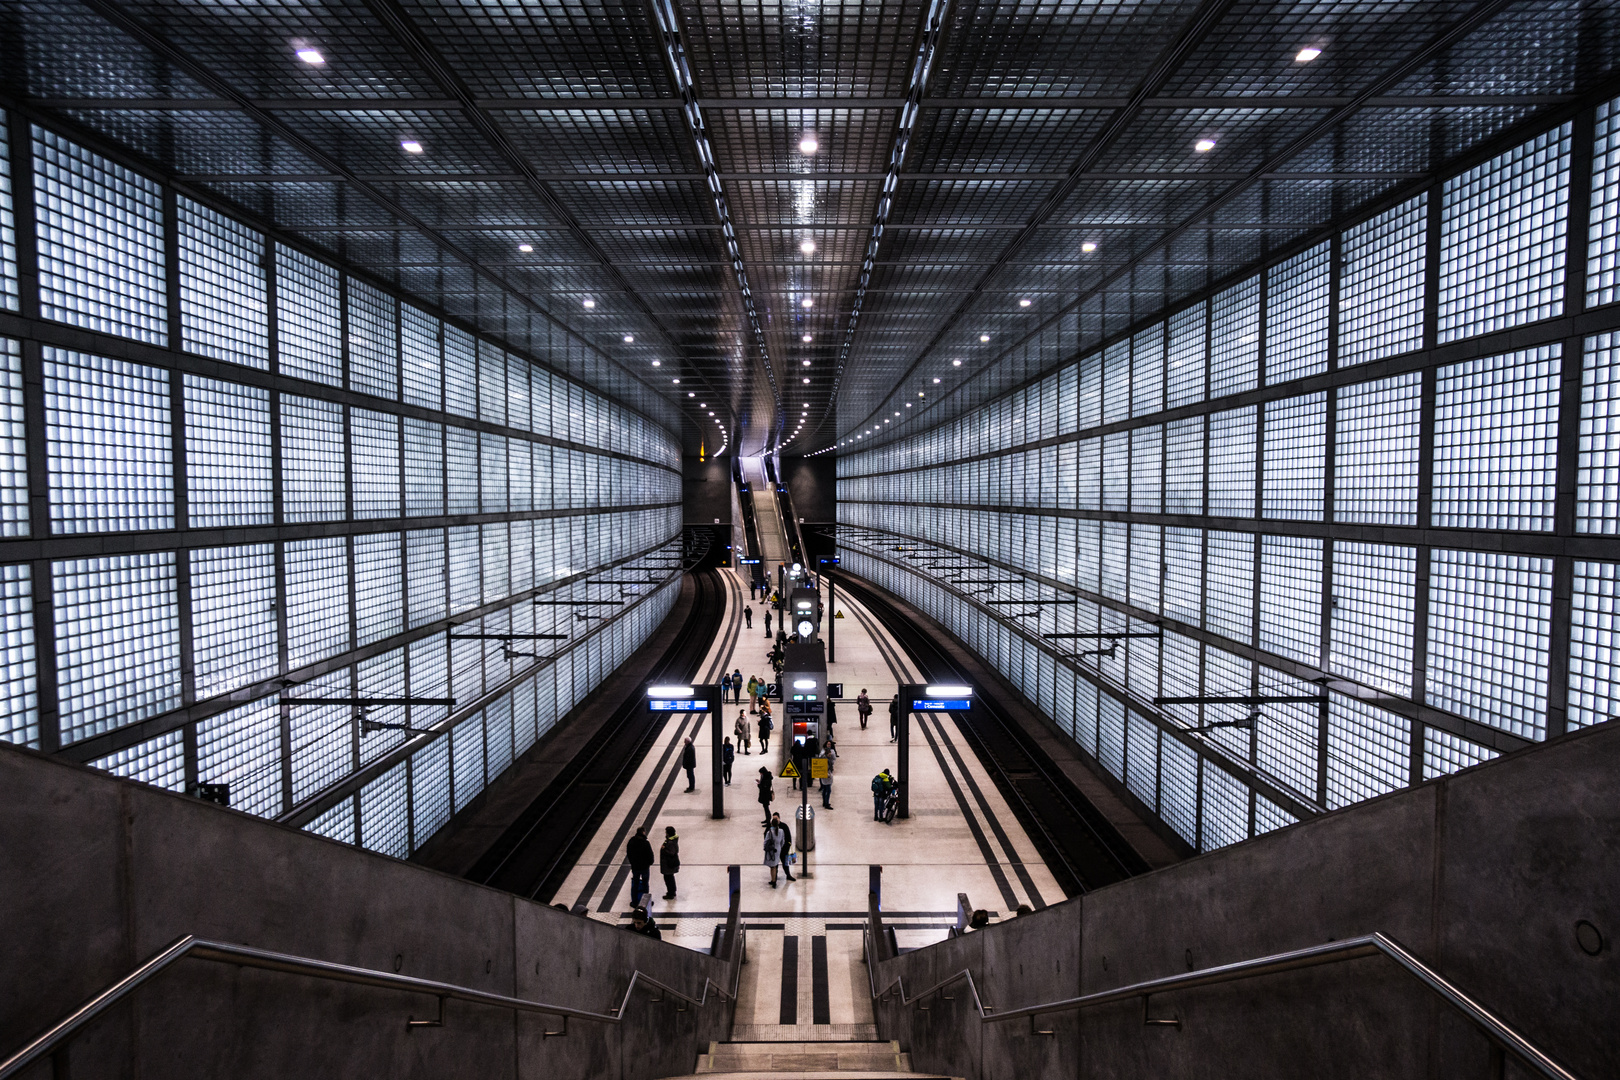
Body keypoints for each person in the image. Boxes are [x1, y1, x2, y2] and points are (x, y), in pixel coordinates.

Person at [626, 826, 654, 907]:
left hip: (635, 867)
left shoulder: (631, 841)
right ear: (643, 832)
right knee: (645, 883)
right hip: (644, 867)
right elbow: (650, 854)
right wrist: (650, 862)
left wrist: (632, 863)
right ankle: (645, 901)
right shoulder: (645, 843)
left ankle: (634, 901)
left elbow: (629, 853)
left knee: (635, 884)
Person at [768, 812, 796, 883]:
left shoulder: (784, 826)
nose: (775, 820)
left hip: (783, 850)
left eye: (776, 818)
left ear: (779, 818)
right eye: (773, 818)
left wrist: (786, 848)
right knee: (775, 865)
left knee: (785, 863)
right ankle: (774, 877)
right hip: (775, 850)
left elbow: (788, 838)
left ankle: (788, 875)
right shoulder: (770, 827)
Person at [659, 826, 680, 900]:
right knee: (670, 878)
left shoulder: (670, 842)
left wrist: (664, 849)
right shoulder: (671, 840)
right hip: (668, 864)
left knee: (668, 878)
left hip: (669, 864)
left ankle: (671, 893)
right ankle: (672, 891)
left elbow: (672, 852)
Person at [819, 740, 837, 809]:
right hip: (826, 774)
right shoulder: (824, 756)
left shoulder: (830, 754)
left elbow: (834, 759)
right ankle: (826, 803)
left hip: (827, 773)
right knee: (828, 790)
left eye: (830, 744)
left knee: (825, 789)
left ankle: (825, 802)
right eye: (828, 744)